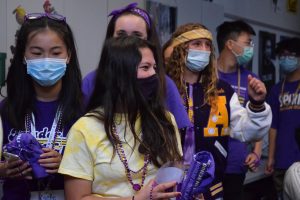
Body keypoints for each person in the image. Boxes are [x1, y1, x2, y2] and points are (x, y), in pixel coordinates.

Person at [58, 36, 183, 199]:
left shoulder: (165, 120)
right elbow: (77, 197)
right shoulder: (84, 129)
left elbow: (175, 179)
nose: (154, 75)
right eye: (145, 68)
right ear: (121, 75)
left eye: (154, 67)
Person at [165, 23, 272, 199]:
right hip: (168, 188)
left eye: (208, 45)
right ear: (180, 49)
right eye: (197, 44)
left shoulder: (222, 90)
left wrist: (257, 104)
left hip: (211, 189)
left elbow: (247, 131)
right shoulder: (163, 89)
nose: (204, 50)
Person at [0, 12, 83, 199]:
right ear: (23, 56)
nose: (46, 60)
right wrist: (4, 170)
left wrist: (68, 164)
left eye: (56, 53)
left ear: (68, 55)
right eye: (37, 53)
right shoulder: (6, 109)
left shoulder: (86, 110)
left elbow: (104, 167)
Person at [82, 2, 191, 130]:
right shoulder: (92, 81)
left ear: (149, 40)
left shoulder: (164, 84)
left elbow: (179, 134)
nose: (128, 42)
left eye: (137, 36)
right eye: (121, 35)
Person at [216, 20, 264, 200]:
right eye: (247, 43)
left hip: (236, 163)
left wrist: (257, 152)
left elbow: (257, 117)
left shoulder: (250, 79)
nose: (251, 47)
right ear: (230, 44)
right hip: (208, 161)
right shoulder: (206, 74)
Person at [265, 37, 300, 199]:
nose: (286, 59)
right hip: (282, 160)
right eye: (282, 56)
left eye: (290, 55)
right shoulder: (276, 89)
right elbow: (273, 126)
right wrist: (271, 157)